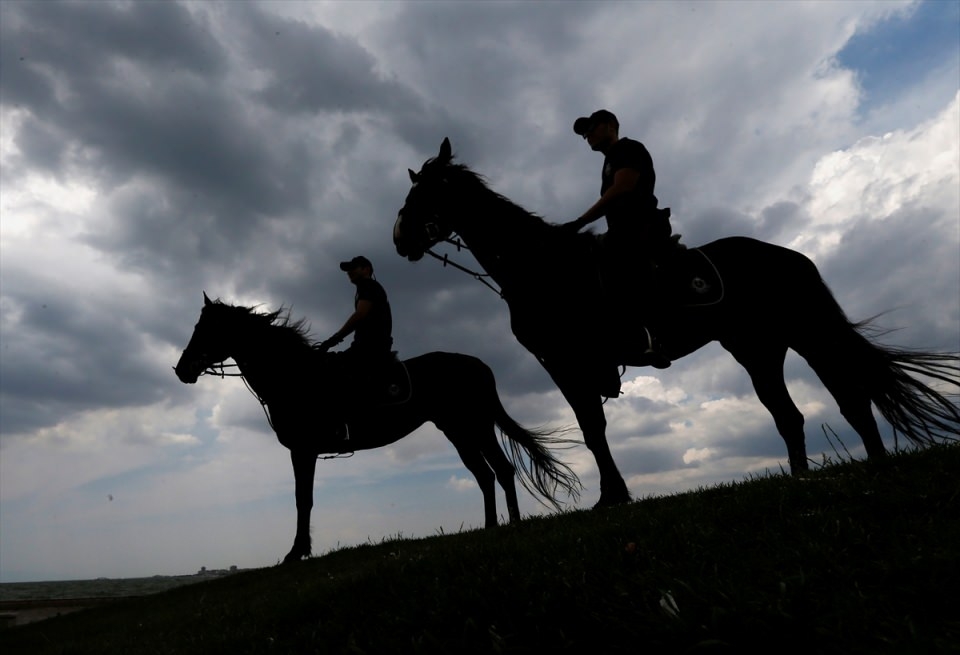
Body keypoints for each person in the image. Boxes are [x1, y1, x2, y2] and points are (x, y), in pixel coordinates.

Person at [567, 109, 672, 372]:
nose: (587, 134)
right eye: (584, 133)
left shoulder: (628, 149)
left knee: (619, 260)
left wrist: (580, 222)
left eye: (591, 127)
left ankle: (652, 335)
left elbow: (623, 188)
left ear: (611, 125)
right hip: (622, 229)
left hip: (641, 225)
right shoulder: (609, 162)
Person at [317, 256, 394, 414]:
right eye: (348, 270)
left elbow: (360, 315)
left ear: (367, 269)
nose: (349, 272)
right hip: (369, 346)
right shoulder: (365, 288)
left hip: (370, 348)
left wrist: (334, 339)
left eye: (354, 268)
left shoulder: (368, 286)